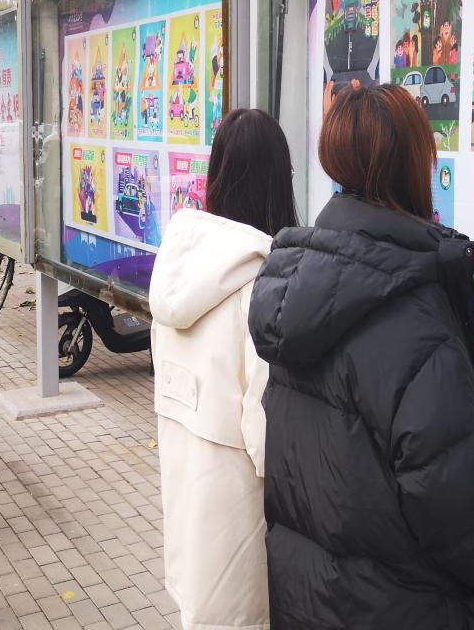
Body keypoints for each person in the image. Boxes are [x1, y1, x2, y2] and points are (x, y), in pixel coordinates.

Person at [248, 84, 474, 629]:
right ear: (413, 167)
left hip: (307, 597)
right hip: (400, 605)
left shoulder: (298, 286)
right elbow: (451, 505)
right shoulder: (416, 319)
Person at [148, 108, 299, 630]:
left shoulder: (177, 263)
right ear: (276, 181)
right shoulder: (261, 281)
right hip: (237, 510)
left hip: (185, 491)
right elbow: (264, 425)